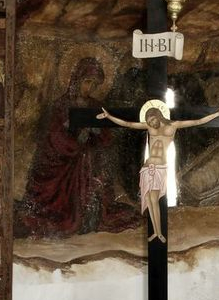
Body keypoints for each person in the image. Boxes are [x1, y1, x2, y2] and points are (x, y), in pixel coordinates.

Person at [21, 58, 135, 236]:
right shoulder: (60, 106)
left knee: (93, 166)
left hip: (89, 160)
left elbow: (107, 138)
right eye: (87, 82)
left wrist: (97, 132)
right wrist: (76, 140)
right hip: (63, 163)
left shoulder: (97, 106)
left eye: (95, 85)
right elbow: (53, 138)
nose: (90, 88)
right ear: (77, 79)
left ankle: (90, 216)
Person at [97, 102, 219, 242]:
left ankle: (159, 232)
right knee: (150, 200)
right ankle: (156, 232)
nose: (151, 124)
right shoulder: (149, 127)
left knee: (154, 199)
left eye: (152, 120)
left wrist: (217, 114)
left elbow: (197, 121)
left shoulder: (173, 125)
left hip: (160, 168)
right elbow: (128, 124)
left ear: (158, 116)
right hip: (148, 167)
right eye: (149, 122)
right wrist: (109, 117)